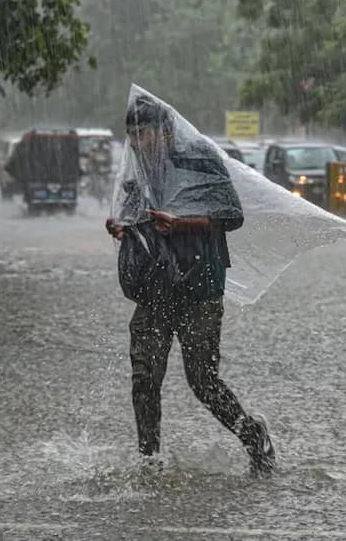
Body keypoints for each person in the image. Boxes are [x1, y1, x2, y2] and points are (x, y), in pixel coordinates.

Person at [106, 95, 276, 474]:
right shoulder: (139, 169)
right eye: (131, 135)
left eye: (144, 134)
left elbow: (231, 216)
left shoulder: (200, 159)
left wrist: (181, 224)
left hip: (200, 285)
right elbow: (133, 214)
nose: (137, 142)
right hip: (155, 286)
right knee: (144, 376)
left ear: (166, 131)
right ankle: (149, 459)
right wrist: (120, 226)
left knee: (201, 379)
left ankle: (252, 436)